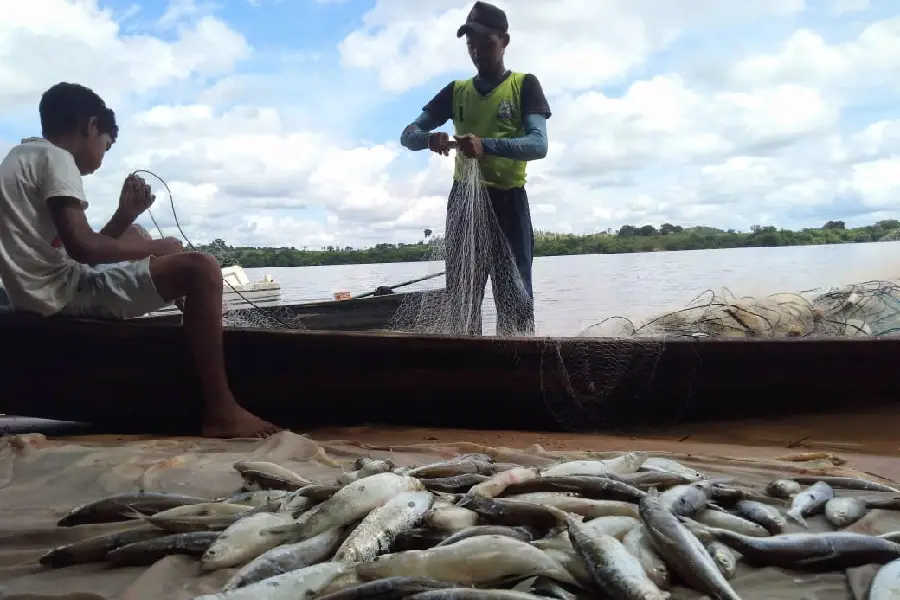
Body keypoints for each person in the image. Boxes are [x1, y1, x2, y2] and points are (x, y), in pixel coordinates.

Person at [0, 81, 280, 439]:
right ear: (91, 126)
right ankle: (221, 410)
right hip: (61, 295)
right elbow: (85, 249)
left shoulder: (18, 159)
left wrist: (125, 215)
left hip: (38, 291)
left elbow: (73, 250)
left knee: (139, 235)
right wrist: (158, 248)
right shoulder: (58, 159)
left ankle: (199, 327)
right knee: (202, 268)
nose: (103, 157)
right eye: (106, 145)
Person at [400, 1, 551, 336]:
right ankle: (468, 362)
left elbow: (538, 144)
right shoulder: (456, 91)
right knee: (462, 298)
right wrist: (428, 139)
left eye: (486, 42)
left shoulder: (524, 85)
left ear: (504, 41)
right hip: (465, 204)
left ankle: (516, 362)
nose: (477, 51)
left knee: (515, 300)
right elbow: (407, 135)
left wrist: (486, 145)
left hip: (508, 203)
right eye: (471, 43)